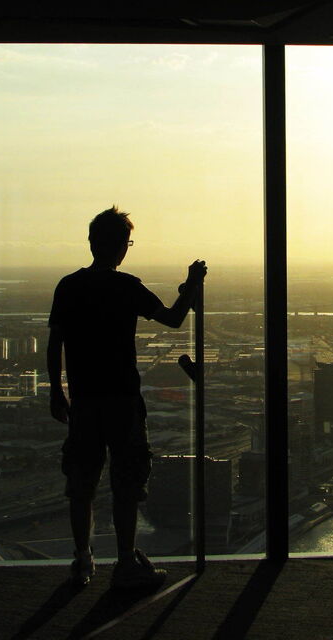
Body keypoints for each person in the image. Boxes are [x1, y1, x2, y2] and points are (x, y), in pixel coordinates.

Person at [47, 206, 206, 588]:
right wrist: (191, 285)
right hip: (122, 399)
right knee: (127, 483)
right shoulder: (126, 286)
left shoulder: (69, 286)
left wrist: (56, 390)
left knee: (82, 483)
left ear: (91, 242)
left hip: (85, 400)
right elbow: (172, 319)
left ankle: (82, 560)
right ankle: (125, 561)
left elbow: (56, 344)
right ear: (121, 247)